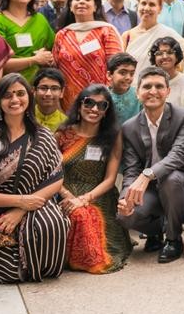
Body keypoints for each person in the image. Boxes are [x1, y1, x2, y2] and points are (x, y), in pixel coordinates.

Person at [0, 74, 70, 284]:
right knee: (10, 274)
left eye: (20, 94)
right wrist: (17, 202)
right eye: (7, 95)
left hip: (34, 203)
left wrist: (22, 208)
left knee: (51, 226)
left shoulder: (43, 134)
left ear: (29, 98)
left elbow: (56, 178)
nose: (15, 100)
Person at [118, 67, 184, 263]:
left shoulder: (183, 116)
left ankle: (173, 239)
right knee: (125, 215)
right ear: (138, 93)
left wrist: (148, 174)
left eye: (159, 86)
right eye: (147, 86)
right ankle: (155, 232)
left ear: (168, 91)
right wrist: (126, 196)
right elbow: (131, 169)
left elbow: (178, 155)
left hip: (181, 184)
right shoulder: (129, 127)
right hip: (151, 189)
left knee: (171, 180)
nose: (153, 91)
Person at [56, 84, 130, 274]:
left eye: (102, 105)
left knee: (83, 216)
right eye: (89, 103)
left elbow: (110, 179)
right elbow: (51, 172)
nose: (95, 109)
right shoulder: (63, 133)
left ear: (106, 111)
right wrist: (67, 195)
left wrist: (85, 199)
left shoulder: (112, 136)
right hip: (62, 193)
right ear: (80, 105)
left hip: (98, 195)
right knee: (72, 214)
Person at [53, 0, 123, 110]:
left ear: (95, 7)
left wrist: (104, 98)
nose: (82, 2)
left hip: (99, 101)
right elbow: (55, 70)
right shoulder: (62, 35)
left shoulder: (106, 31)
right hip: (68, 103)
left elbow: (116, 67)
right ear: (70, 6)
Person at [122, 0, 184, 76]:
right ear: (138, 6)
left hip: (157, 86)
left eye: (152, 4)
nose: (146, 8)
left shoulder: (166, 33)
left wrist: (173, 74)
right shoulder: (127, 36)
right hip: (132, 86)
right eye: (143, 3)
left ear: (160, 9)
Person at [106, 52, 141, 124]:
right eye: (123, 73)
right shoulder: (103, 96)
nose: (128, 77)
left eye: (131, 74)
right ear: (109, 75)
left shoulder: (139, 95)